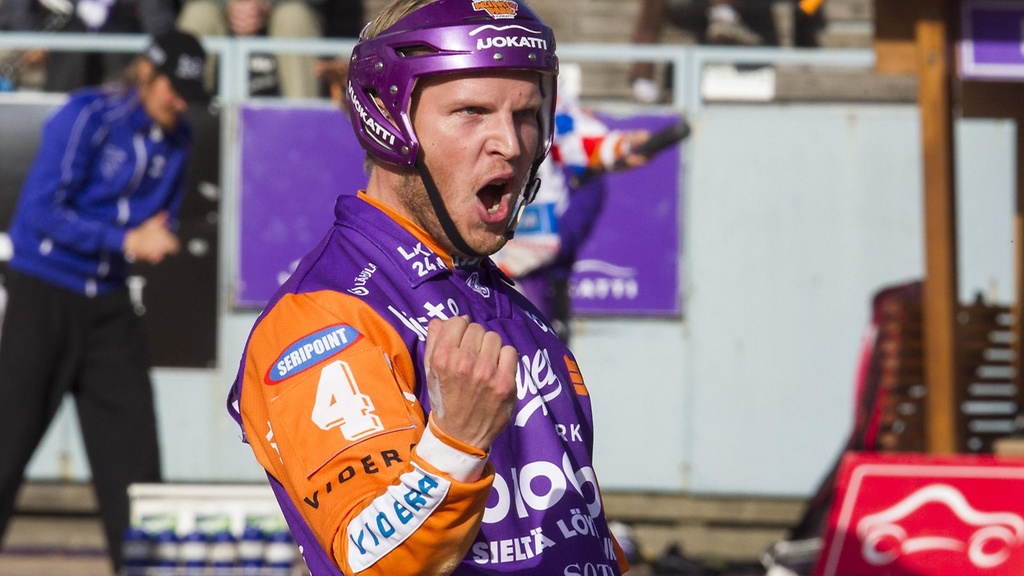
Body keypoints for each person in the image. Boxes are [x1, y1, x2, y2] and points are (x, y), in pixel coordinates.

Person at [227, 1, 630, 574]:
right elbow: (373, 560)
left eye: (526, 114)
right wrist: (455, 443)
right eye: (471, 112)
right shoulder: (325, 316)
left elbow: (580, 537)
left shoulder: (507, 303)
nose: (510, 143)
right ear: (390, 125)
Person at [0, 29, 208, 573]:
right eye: (173, 89)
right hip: (44, 292)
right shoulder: (87, 115)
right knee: (6, 449)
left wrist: (146, 236)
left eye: (189, 93)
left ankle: (143, 567)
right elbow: (39, 214)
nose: (180, 103)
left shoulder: (179, 136)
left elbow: (157, 218)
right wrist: (125, 238)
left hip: (109, 303)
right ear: (147, 73)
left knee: (135, 464)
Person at [491, 69, 652, 343]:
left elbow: (572, 137)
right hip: (456, 268)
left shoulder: (538, 82)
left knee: (538, 362)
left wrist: (617, 147)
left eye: (523, 115)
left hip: (532, 268)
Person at [177, 0, 364, 98]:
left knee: (294, 18)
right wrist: (228, 5)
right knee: (198, 16)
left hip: (284, 10)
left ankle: (303, 126)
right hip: (216, 12)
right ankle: (183, 123)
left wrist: (266, 4)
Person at [0, 0, 178, 92]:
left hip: (121, 35)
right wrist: (31, 39)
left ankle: (122, 116)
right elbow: (15, 13)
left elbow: (158, 22)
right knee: (71, 46)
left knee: (121, 47)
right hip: (57, 34)